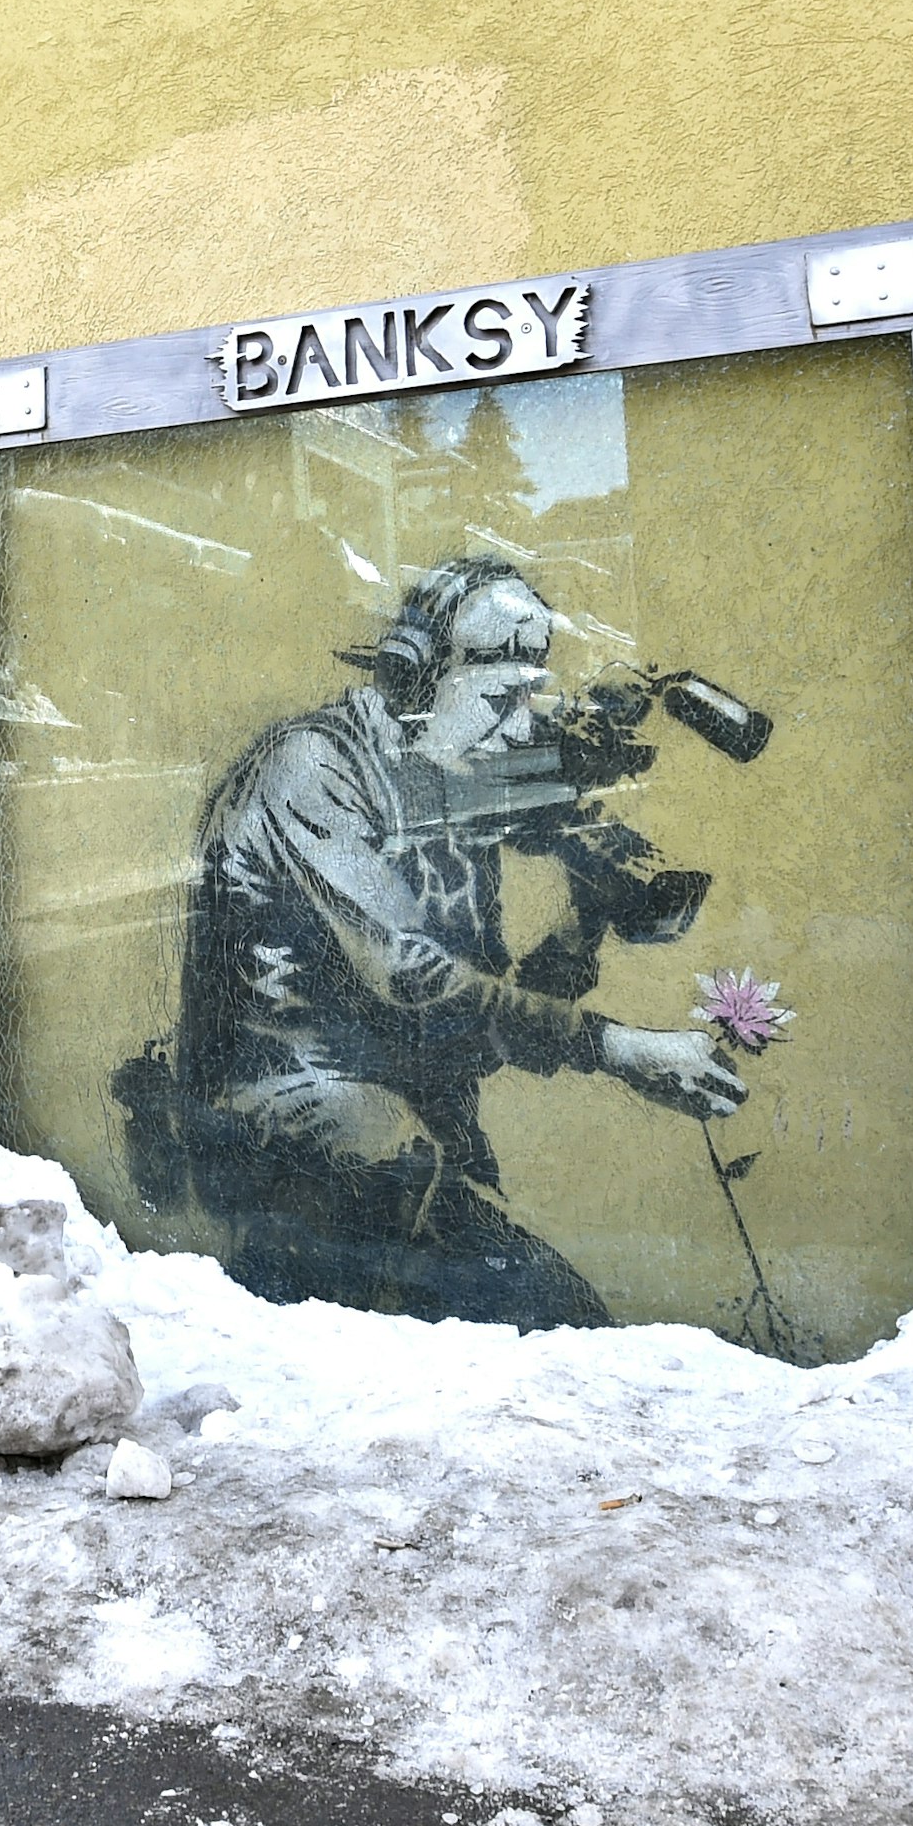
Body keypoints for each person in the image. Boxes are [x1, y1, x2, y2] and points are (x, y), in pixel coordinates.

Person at [122, 554, 747, 1328]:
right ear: (417, 675)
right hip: (295, 1120)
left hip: (417, 1143)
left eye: (532, 697)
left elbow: (484, 1015)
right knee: (342, 1319)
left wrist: (586, 916)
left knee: (566, 1322)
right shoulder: (313, 769)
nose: (521, 726)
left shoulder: (446, 773)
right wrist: (617, 1048)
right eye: (501, 698)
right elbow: (413, 976)